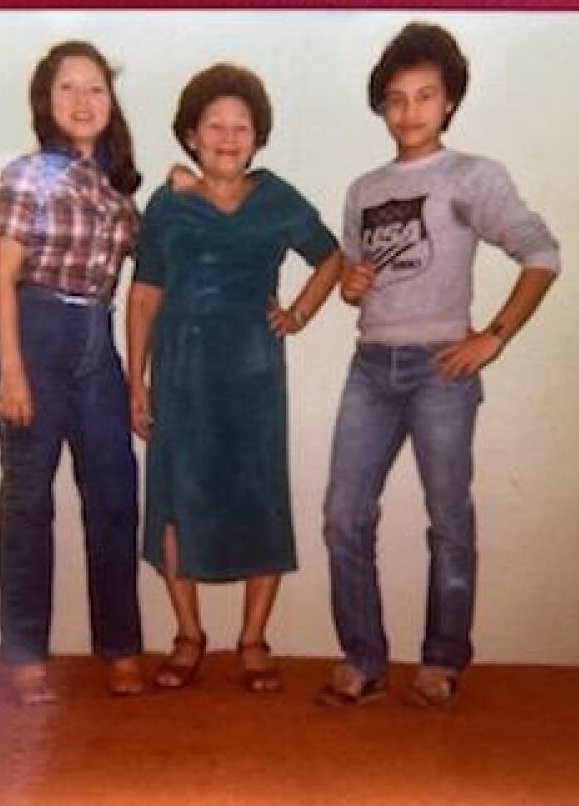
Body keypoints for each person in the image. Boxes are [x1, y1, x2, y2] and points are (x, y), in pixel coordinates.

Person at [318, 23, 561, 708]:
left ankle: (442, 661)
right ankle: (364, 660)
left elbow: (541, 253)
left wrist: (495, 335)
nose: (410, 111)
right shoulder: (365, 187)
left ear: (448, 101)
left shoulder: (471, 175)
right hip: (371, 366)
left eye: (425, 96)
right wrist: (352, 285)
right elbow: (352, 275)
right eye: (396, 99)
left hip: (441, 370)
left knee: (448, 518)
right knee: (343, 516)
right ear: (382, 107)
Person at [127, 63, 343, 694]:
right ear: (191, 135)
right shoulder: (169, 202)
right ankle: (189, 635)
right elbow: (142, 297)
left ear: (257, 135)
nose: (227, 137)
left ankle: (252, 640)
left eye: (240, 127)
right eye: (214, 126)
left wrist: (299, 313)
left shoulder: (277, 197)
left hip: (253, 376)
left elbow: (330, 256)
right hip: (180, 374)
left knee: (260, 501)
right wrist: (136, 383)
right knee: (173, 503)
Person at [0, 40, 145, 706]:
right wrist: (13, 372)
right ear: (46, 103)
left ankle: (120, 647)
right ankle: (24, 655)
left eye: (96, 88)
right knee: (28, 503)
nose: (83, 101)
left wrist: (183, 190)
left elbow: (149, 255)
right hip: (34, 332)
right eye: (67, 88)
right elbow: (1, 273)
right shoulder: (28, 175)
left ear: (111, 101)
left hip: (95, 342)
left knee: (113, 495)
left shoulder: (115, 190)